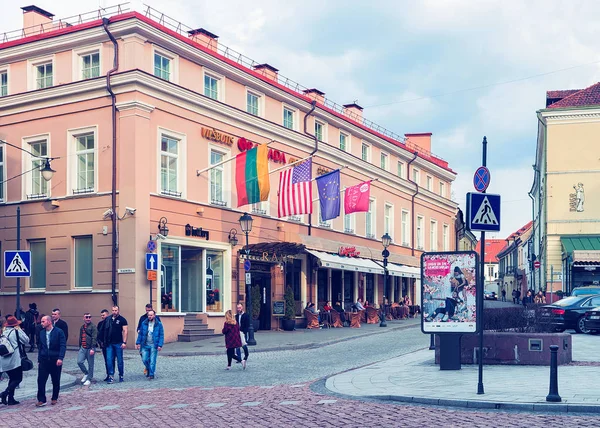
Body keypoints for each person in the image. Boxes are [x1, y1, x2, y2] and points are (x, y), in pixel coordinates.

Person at [36, 315, 66, 407]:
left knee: (55, 380)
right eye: (41, 321)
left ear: (49, 322)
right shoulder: (41, 333)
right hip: (44, 360)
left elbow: (62, 345)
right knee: (41, 380)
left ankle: (54, 398)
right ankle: (41, 399)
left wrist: (60, 358)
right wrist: (39, 359)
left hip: (55, 359)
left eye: (43, 321)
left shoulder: (59, 332)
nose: (41, 323)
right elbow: (40, 347)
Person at [0, 316, 30, 406]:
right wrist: (19, 329)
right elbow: (26, 340)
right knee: (18, 379)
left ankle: (11, 399)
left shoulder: (3, 331)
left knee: (12, 378)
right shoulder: (16, 331)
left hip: (4, 359)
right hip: (14, 359)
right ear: (15, 324)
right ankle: (4, 394)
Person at [135, 310, 164, 380]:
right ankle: (148, 369)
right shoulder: (144, 323)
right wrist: (138, 343)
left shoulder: (158, 324)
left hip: (154, 344)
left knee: (152, 360)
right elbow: (141, 334)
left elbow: (161, 335)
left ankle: (151, 374)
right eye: (148, 315)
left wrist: (160, 345)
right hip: (145, 344)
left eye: (151, 315)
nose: (149, 317)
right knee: (144, 359)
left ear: (154, 315)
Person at [104, 306, 128, 384]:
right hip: (109, 343)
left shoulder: (122, 320)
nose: (114, 312)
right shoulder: (108, 319)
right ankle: (111, 376)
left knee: (120, 361)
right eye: (113, 310)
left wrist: (124, 342)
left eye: (116, 310)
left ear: (118, 311)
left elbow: (125, 331)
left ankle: (121, 375)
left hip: (118, 343)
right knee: (109, 360)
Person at [77, 313, 97, 386]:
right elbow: (80, 337)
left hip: (90, 348)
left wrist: (92, 348)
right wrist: (80, 347)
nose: (88, 318)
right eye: (86, 317)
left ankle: (89, 378)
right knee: (79, 361)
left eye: (89, 317)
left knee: (90, 364)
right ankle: (86, 373)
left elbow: (94, 338)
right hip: (83, 347)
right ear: (84, 318)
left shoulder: (93, 327)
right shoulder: (82, 327)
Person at [96, 309, 112, 382]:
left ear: (107, 315)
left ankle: (111, 374)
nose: (102, 317)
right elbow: (98, 335)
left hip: (110, 344)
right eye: (101, 315)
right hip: (103, 345)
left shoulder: (111, 322)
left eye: (104, 315)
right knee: (106, 360)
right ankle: (108, 374)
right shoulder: (100, 324)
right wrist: (100, 342)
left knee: (110, 360)